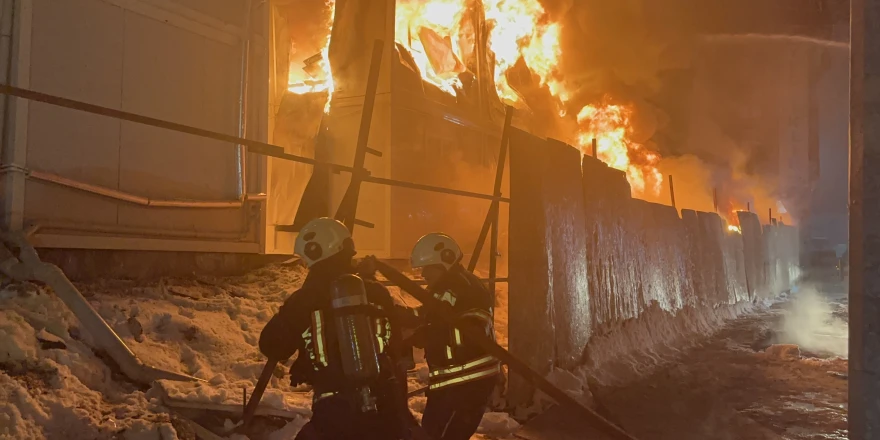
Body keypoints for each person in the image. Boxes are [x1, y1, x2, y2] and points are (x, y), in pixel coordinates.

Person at [258, 217, 412, 440]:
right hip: (387, 407)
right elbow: (395, 345)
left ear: (313, 251)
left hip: (337, 411)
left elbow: (271, 345)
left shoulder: (307, 298)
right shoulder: (377, 292)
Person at [406, 233, 500, 440]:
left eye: (427, 268)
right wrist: (402, 316)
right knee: (433, 433)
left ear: (445, 261)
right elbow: (432, 315)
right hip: (455, 382)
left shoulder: (459, 287)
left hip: (466, 383)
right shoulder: (449, 287)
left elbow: (467, 332)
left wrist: (428, 335)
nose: (423, 274)